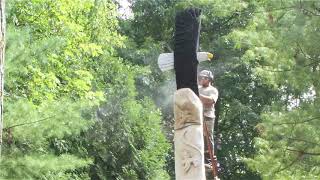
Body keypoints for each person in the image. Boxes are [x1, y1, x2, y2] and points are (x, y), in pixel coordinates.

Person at [198, 70, 219, 165]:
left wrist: (198, 96)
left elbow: (211, 100)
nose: (202, 79)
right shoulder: (197, 88)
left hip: (207, 116)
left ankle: (209, 158)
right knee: (197, 135)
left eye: (204, 77)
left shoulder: (213, 90)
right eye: (201, 77)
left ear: (209, 79)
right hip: (196, 116)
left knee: (208, 137)